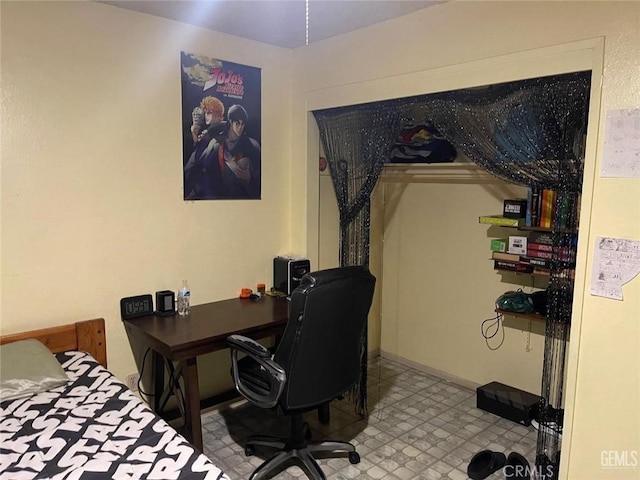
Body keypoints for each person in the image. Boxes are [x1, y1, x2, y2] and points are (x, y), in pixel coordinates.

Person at [214, 104, 261, 199]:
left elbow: (260, 176)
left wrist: (249, 178)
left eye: (242, 124)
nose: (240, 127)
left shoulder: (252, 145)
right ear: (231, 122)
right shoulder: (218, 141)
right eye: (237, 123)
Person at [183, 96, 226, 199]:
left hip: (211, 184)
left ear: (218, 114)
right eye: (205, 112)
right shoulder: (207, 133)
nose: (206, 116)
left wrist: (208, 132)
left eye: (209, 113)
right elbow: (198, 150)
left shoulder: (221, 128)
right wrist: (194, 134)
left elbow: (223, 126)